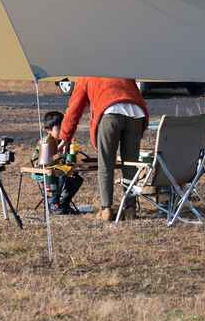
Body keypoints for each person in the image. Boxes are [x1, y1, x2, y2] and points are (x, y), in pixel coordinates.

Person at [59, 77, 149, 221]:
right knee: (131, 164)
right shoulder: (115, 63)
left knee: (106, 163)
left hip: (110, 113)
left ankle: (106, 209)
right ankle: (130, 209)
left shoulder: (86, 74)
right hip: (136, 112)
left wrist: (64, 136)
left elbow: (74, 108)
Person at [37, 111, 83, 215]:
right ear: (48, 130)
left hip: (60, 171)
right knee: (60, 176)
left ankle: (63, 203)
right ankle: (53, 204)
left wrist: (71, 151)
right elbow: (44, 161)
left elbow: (69, 161)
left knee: (76, 179)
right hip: (45, 173)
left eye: (63, 129)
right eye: (59, 129)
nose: (62, 132)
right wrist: (59, 153)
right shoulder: (45, 142)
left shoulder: (64, 141)